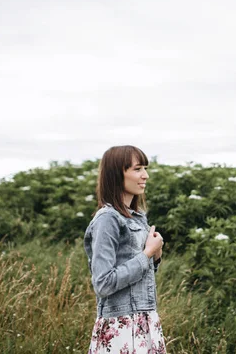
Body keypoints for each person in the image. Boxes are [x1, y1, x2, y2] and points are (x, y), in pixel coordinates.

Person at [84, 145, 167, 354]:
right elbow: (103, 283)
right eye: (137, 169)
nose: (145, 175)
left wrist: (155, 257)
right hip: (120, 325)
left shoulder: (138, 218)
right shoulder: (107, 219)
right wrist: (146, 254)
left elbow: (137, 278)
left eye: (144, 168)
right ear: (116, 174)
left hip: (145, 320)